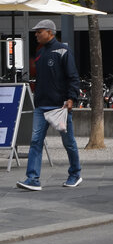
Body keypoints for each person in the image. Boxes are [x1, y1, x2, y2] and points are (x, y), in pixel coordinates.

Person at [18, 19, 83, 191]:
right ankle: (32, 179)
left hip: (59, 106)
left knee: (68, 142)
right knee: (35, 142)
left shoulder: (63, 50)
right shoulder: (40, 52)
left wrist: (71, 98)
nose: (36, 34)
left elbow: (73, 77)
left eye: (39, 31)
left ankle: (75, 174)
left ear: (50, 32)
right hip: (41, 106)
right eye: (36, 32)